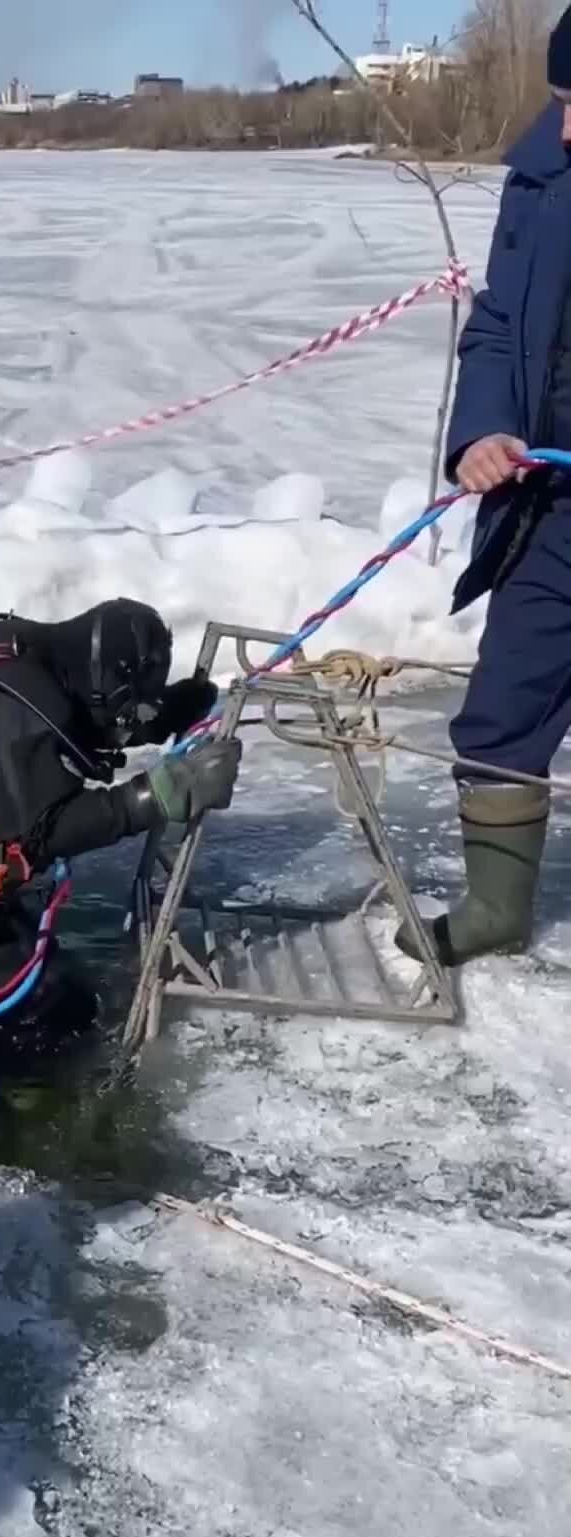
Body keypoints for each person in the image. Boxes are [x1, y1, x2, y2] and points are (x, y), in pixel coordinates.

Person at [0, 598, 240, 1048]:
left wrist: (163, 716)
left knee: (57, 985)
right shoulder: (19, 696)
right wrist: (159, 795)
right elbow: (44, 831)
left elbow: (74, 722)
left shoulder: (12, 648)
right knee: (59, 1012)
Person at [399, 8, 571, 968]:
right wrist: (484, 431)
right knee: (504, 706)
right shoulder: (543, 178)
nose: (570, 124)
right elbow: (500, 324)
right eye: (564, 100)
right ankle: (498, 910)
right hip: (549, 501)